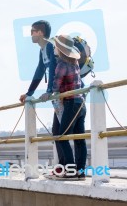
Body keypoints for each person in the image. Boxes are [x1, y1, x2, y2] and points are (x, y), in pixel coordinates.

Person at [19, 20, 64, 166]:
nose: (31, 34)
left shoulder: (50, 45)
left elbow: (52, 68)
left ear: (40, 32)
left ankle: (68, 167)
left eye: (33, 31)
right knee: (58, 130)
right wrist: (29, 93)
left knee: (63, 130)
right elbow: (40, 70)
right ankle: (64, 166)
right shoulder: (42, 49)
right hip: (56, 94)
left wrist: (49, 90)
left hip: (63, 93)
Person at [50, 35, 87, 179]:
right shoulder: (75, 62)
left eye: (56, 46)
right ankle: (80, 172)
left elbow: (56, 86)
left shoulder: (61, 64)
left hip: (71, 103)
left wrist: (50, 94)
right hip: (81, 104)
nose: (54, 48)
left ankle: (70, 171)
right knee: (79, 139)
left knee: (62, 137)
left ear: (60, 49)